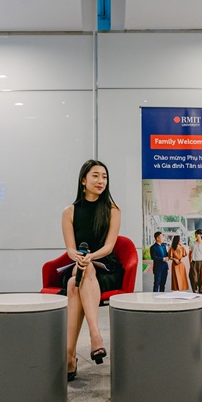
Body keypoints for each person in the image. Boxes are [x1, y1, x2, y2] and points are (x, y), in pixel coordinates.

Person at [61, 159, 123, 381]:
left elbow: (109, 247)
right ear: (83, 180)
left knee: (80, 277)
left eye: (104, 176)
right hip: (79, 265)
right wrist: (78, 257)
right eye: (95, 175)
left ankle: (70, 355)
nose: (101, 181)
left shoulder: (113, 210)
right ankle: (90, 338)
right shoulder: (69, 211)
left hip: (105, 266)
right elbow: (69, 247)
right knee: (74, 281)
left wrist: (90, 257)